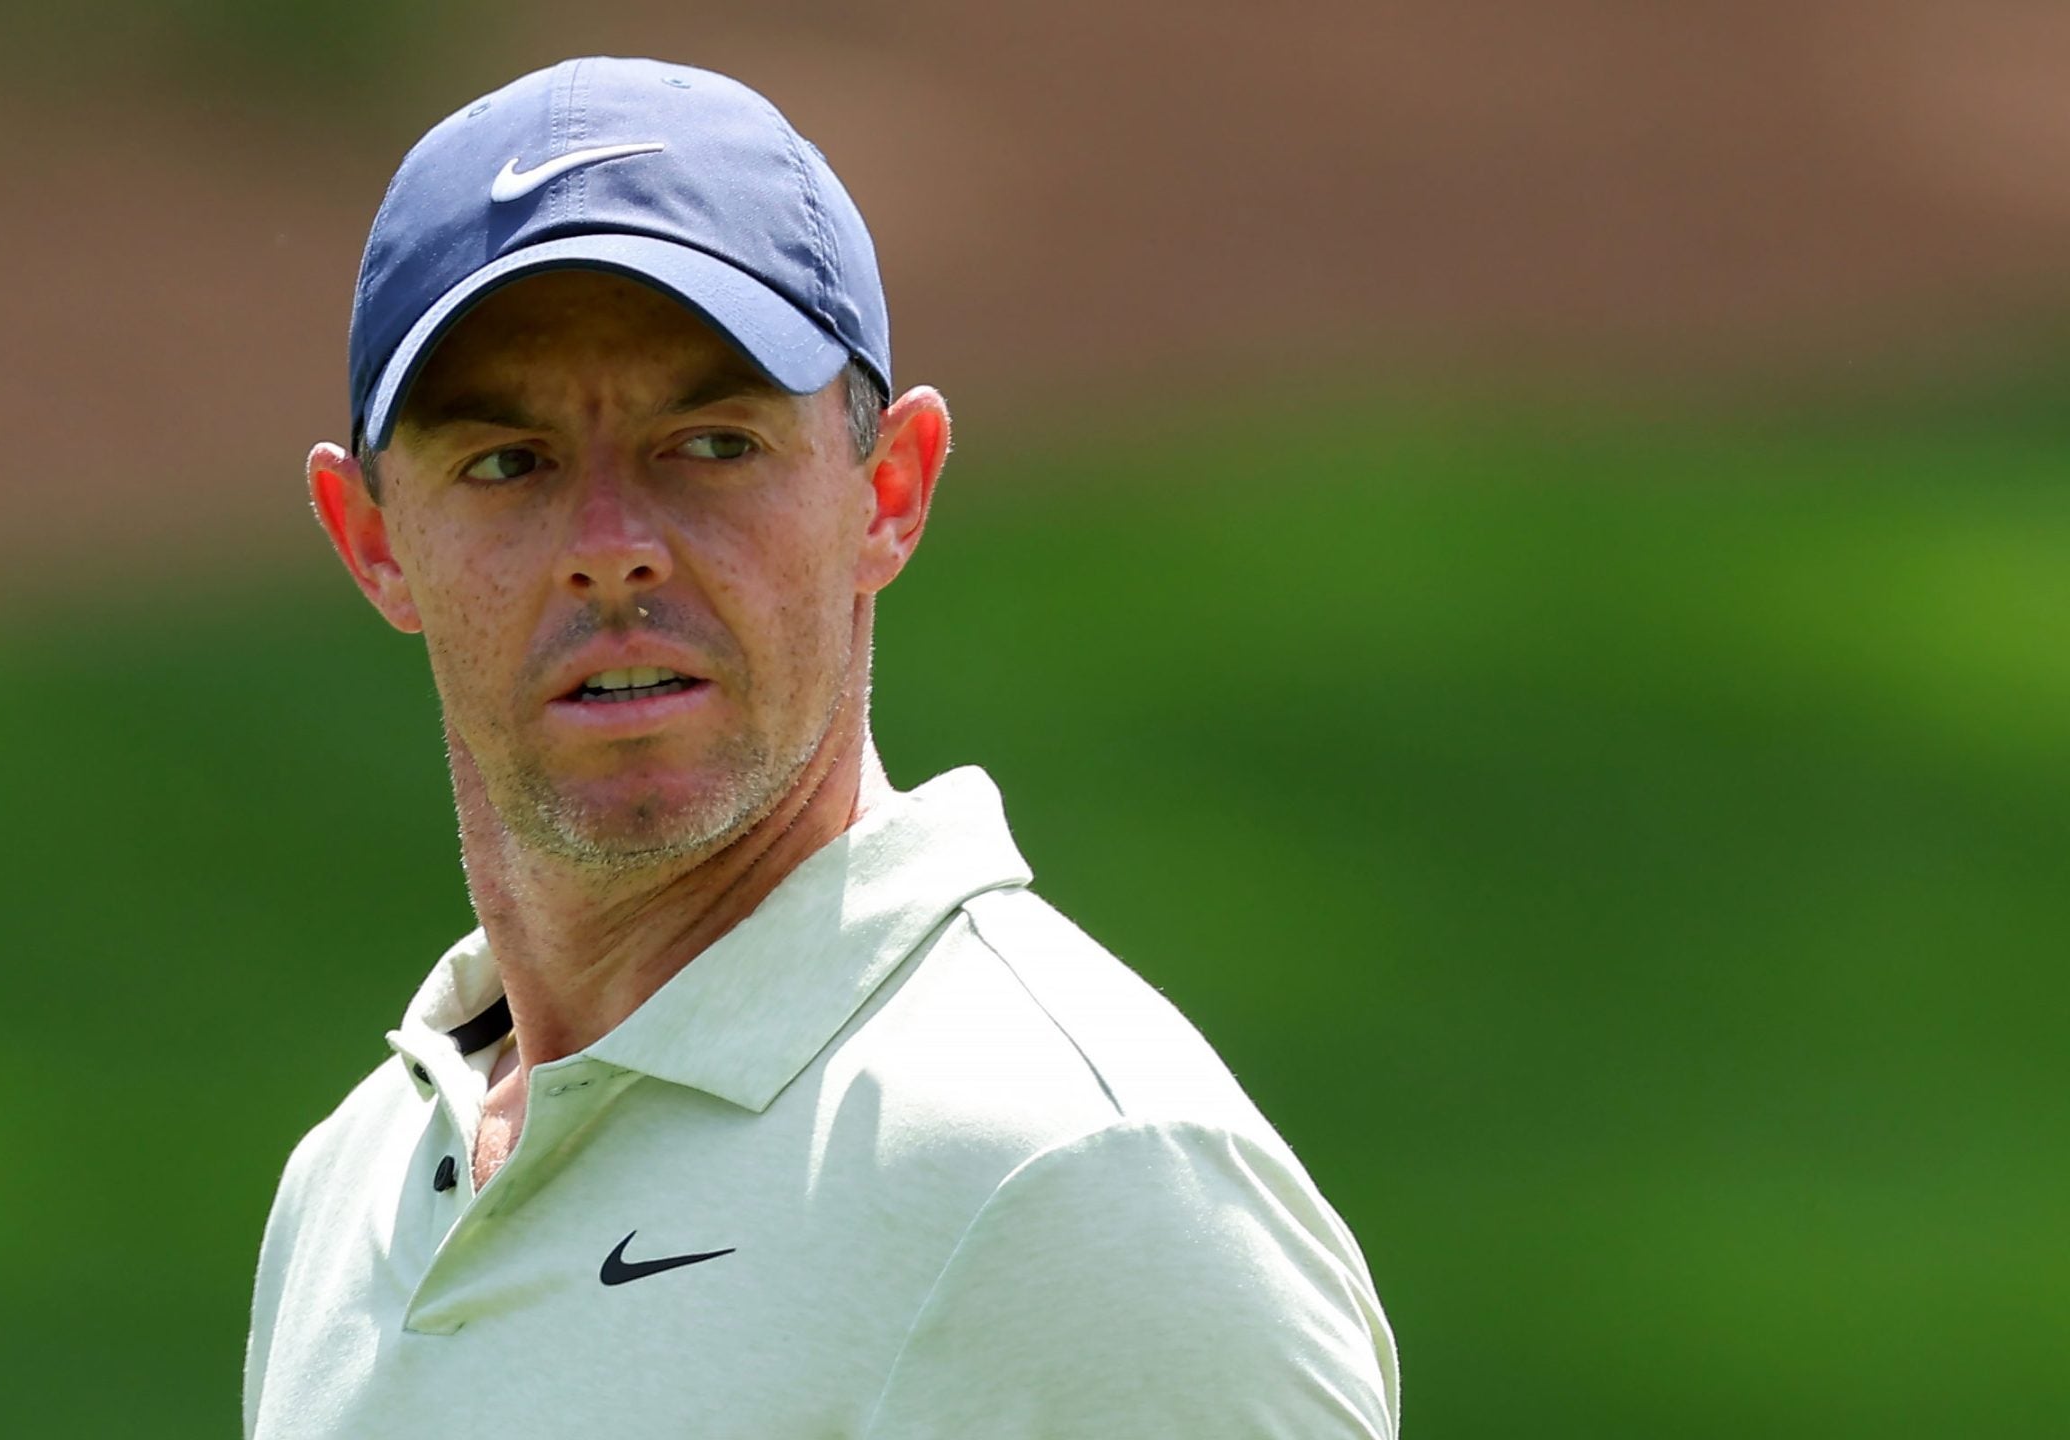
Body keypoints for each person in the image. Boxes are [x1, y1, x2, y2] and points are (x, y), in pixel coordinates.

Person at [244, 55, 1400, 1439]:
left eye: (712, 444)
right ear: (374, 541)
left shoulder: (1078, 1182)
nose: (612, 549)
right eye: (507, 464)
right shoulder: (357, 1180)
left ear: (889, 492)